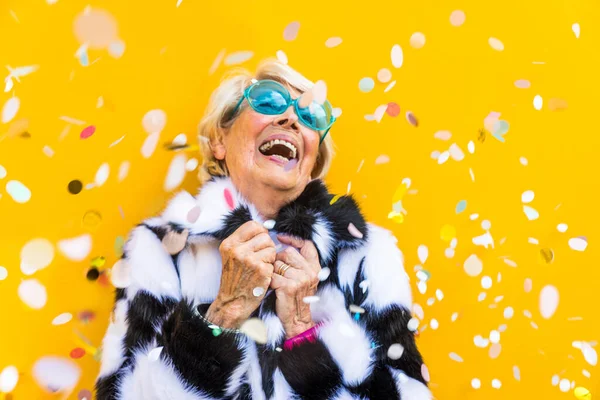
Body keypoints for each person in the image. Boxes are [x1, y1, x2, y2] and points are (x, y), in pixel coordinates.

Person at [95, 59, 432, 399]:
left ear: (312, 162)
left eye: (310, 116)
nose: (290, 119)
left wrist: (303, 333)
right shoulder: (161, 248)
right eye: (269, 102)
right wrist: (222, 314)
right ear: (219, 141)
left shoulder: (365, 254)